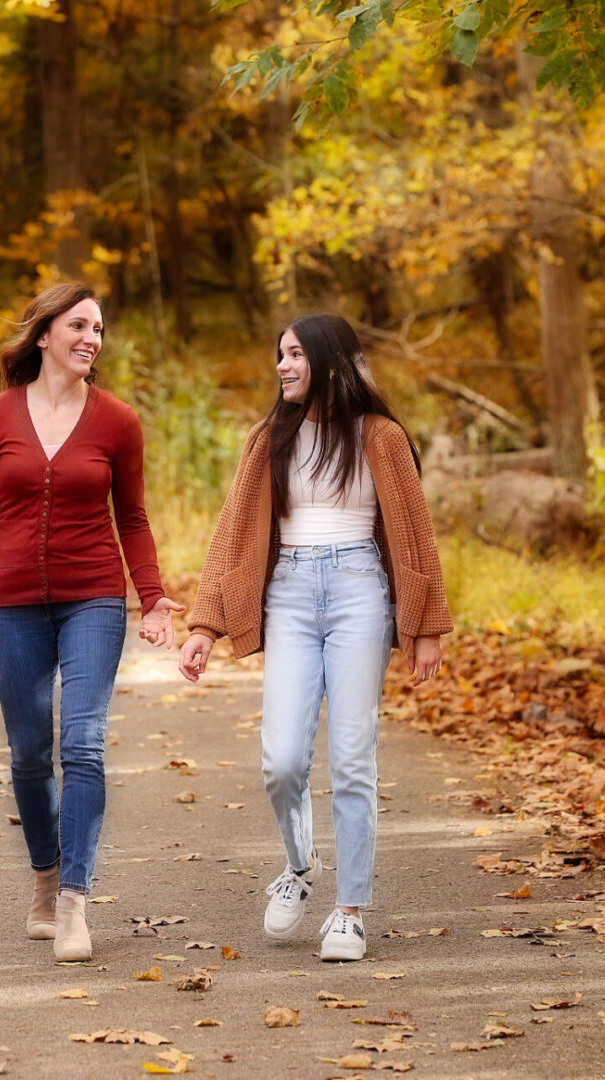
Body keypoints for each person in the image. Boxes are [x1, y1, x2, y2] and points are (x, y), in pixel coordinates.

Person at [178, 314, 452, 962]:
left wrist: (427, 628)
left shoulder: (381, 436)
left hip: (360, 591)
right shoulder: (269, 437)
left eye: (295, 353)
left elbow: (415, 532)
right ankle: (300, 868)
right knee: (282, 761)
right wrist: (204, 626)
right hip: (290, 597)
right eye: (280, 354)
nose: (282, 365)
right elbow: (232, 538)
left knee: (353, 758)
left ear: (330, 360)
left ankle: (350, 910)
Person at [0, 283, 182, 963]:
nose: (91, 339)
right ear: (44, 335)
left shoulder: (118, 421)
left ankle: (75, 902)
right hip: (14, 602)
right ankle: (45, 880)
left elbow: (131, 518)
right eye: (79, 325)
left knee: (82, 742)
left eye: (99, 329)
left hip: (93, 599)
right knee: (28, 752)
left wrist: (153, 594)